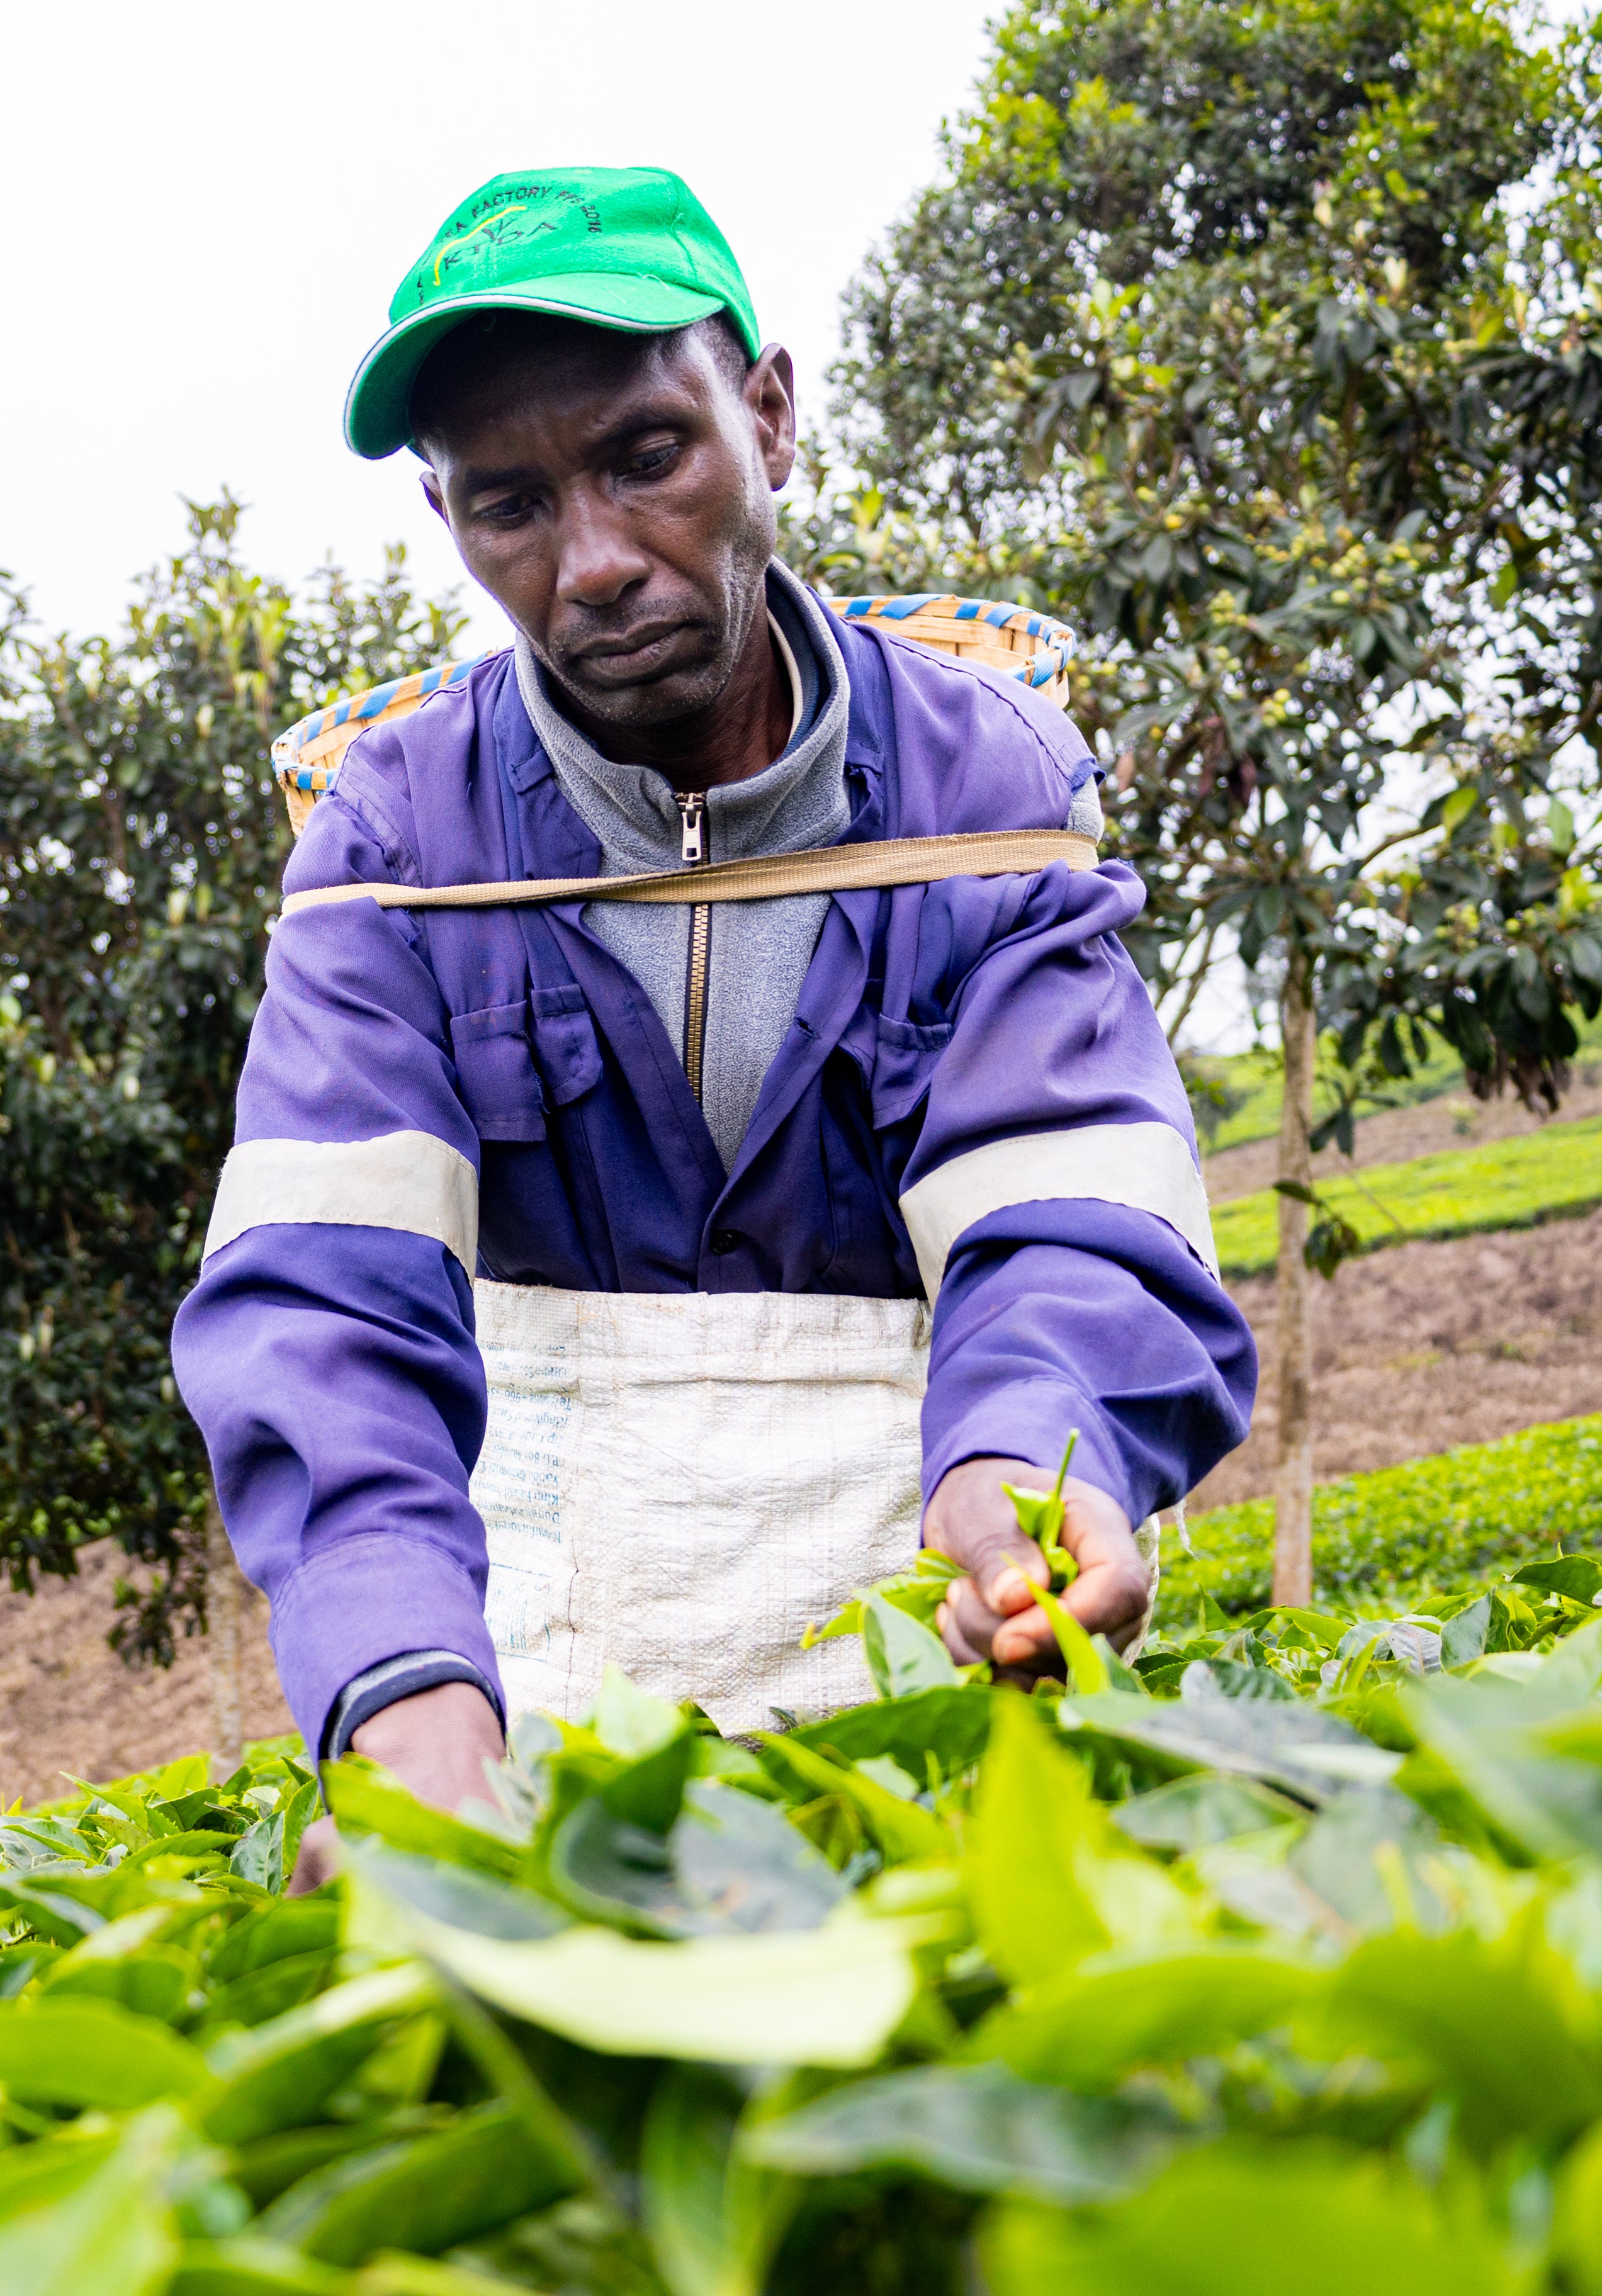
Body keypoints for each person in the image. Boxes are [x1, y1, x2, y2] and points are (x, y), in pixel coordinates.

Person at [172, 166, 1255, 1830]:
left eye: (644, 456)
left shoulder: (987, 795)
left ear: (767, 418)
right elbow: (328, 1321)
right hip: (530, 1709)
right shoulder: (391, 851)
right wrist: (408, 1726)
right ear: (445, 522)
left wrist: (1021, 1487)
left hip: (941, 1682)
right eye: (509, 505)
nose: (594, 563)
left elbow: (1069, 1219)